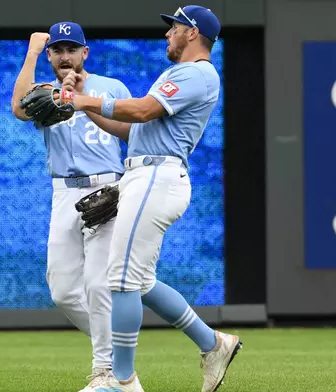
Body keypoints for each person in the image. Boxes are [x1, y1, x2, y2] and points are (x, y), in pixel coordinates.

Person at [60, 6, 240, 392]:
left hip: (158, 176)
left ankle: (121, 380)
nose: (167, 34)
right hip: (145, 172)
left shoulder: (196, 72)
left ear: (192, 33)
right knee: (139, 282)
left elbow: (143, 109)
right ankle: (214, 344)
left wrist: (83, 102)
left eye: (174, 27)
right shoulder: (183, 73)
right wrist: (86, 100)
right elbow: (129, 129)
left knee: (121, 280)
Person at [11, 22, 134, 391]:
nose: (66, 56)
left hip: (107, 188)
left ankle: (106, 371)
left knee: (98, 285)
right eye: (58, 49)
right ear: (50, 55)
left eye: (72, 49)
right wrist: (31, 52)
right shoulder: (44, 92)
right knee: (63, 291)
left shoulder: (110, 87)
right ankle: (117, 354)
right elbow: (19, 108)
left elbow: (134, 131)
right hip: (64, 193)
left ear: (85, 53)